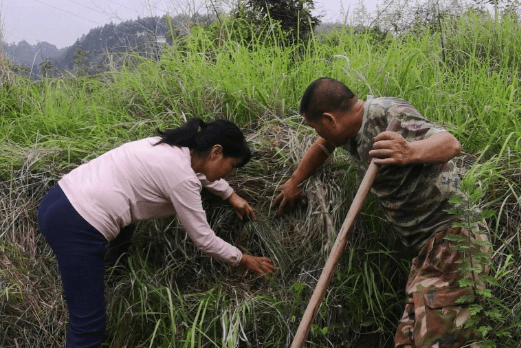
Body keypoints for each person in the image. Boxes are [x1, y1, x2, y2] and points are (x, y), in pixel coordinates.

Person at [274, 77, 488, 347]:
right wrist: (294, 181)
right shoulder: (349, 132)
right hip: (427, 251)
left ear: (330, 120)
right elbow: (322, 146)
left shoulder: (386, 114)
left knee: (444, 341)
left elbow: (449, 144)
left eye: (318, 127)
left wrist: (410, 150)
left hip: (454, 240)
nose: (320, 135)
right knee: (408, 340)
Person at [37, 118, 275, 348]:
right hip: (77, 225)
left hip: (59, 199)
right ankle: (93, 290)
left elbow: (199, 172)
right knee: (89, 325)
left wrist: (230, 194)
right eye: (232, 166)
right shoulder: (181, 177)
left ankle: (112, 274)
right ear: (215, 152)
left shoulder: (169, 146)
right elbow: (204, 239)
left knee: (125, 226)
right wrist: (243, 259)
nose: (229, 173)